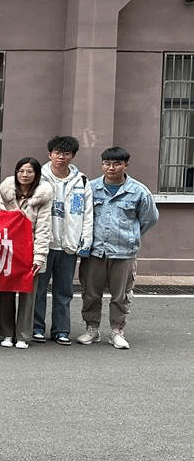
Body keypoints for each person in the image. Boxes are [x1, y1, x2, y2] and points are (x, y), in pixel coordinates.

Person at [77, 147, 159, 349]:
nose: (111, 168)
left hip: (124, 253)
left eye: (116, 164)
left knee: (121, 295)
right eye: (107, 163)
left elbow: (150, 218)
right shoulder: (91, 188)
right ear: (102, 165)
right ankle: (92, 329)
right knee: (90, 293)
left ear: (126, 165)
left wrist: (130, 235)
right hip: (95, 251)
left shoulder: (139, 191)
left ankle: (117, 331)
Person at [32, 136, 93, 345]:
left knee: (64, 291)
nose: (61, 157)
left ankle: (61, 330)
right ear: (49, 154)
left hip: (68, 245)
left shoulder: (81, 180)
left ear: (73, 156)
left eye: (66, 154)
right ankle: (36, 327)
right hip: (43, 244)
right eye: (57, 153)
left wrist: (85, 241)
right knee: (38, 289)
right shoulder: (38, 177)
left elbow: (88, 213)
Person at [0, 157, 53, 349]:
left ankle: (23, 335)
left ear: (37, 174)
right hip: (6, 246)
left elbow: (44, 227)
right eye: (21, 171)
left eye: (29, 171)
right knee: (4, 289)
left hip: (29, 248)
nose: (25, 175)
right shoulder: (5, 190)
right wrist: (11, 216)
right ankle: (6, 332)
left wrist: (39, 256)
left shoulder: (44, 194)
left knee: (28, 292)